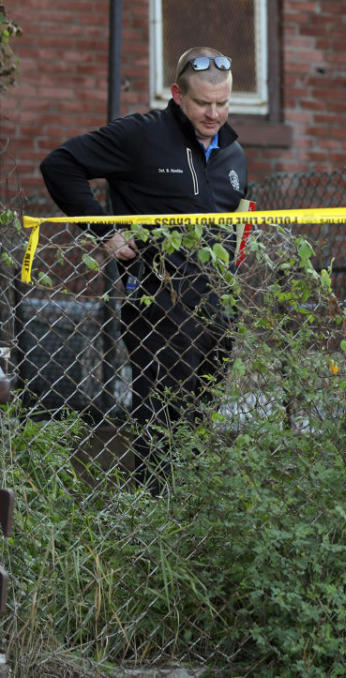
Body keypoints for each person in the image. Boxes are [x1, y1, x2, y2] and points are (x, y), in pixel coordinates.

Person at [41, 46, 248, 494]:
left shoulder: (233, 154)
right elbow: (61, 165)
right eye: (202, 104)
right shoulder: (141, 136)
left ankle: (188, 509)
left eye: (223, 103)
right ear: (177, 94)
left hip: (215, 309)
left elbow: (238, 219)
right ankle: (153, 518)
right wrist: (107, 232)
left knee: (197, 422)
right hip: (157, 303)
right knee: (160, 419)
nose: (214, 114)